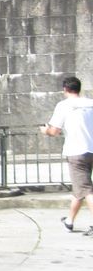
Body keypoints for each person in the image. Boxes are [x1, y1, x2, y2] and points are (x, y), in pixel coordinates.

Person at [40, 76, 93, 235]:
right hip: (92, 148)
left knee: (87, 190)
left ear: (65, 89)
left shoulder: (64, 106)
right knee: (80, 189)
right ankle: (69, 221)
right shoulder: (91, 103)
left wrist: (45, 130)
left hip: (76, 151)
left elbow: (54, 131)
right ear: (79, 88)